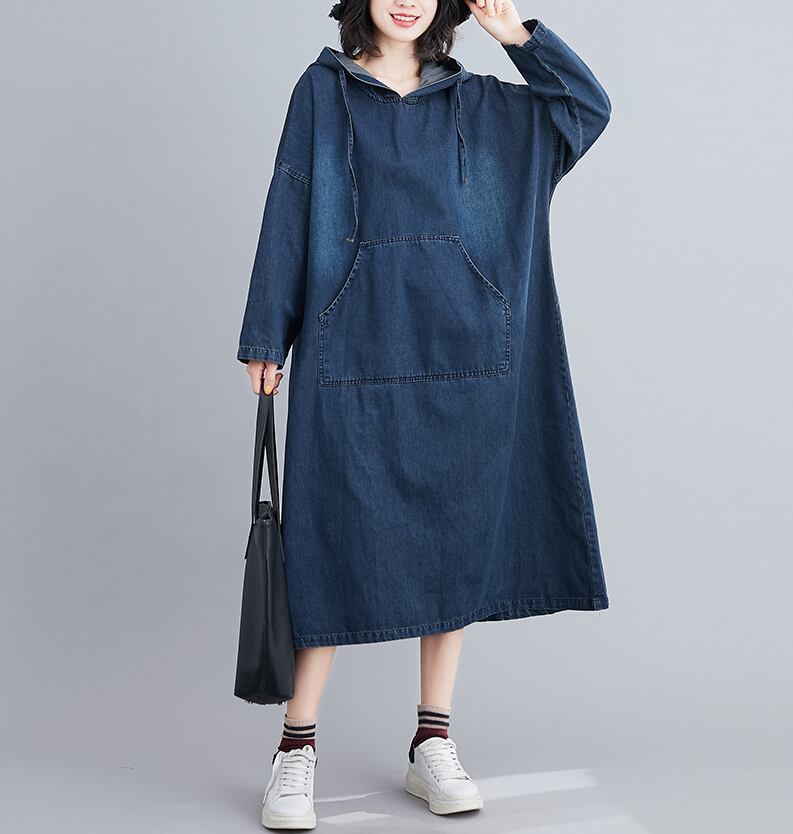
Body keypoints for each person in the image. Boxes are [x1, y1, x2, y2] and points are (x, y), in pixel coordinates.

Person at [237, 0, 612, 828]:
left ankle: (432, 740)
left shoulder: (483, 103)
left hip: (467, 361)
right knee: (329, 545)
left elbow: (584, 109)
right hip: (350, 357)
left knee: (454, 546)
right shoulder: (322, 92)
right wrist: (268, 331)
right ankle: (296, 747)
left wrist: (517, 36)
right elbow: (289, 207)